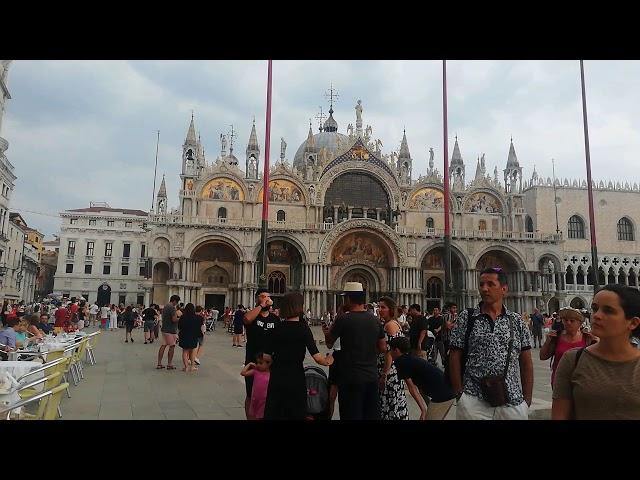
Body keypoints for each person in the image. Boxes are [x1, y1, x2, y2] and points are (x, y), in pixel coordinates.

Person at [449, 267, 533, 420]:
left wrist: (526, 402)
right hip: (473, 400)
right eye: (481, 284)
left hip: (512, 401)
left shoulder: (517, 321)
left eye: (490, 284)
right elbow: (454, 355)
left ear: (504, 289)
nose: (484, 289)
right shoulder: (467, 318)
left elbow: (526, 362)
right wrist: (460, 396)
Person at [552, 284, 640, 420]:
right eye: (595, 308)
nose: (596, 315)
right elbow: (559, 415)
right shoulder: (573, 360)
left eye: (608, 311)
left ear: (633, 323)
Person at [263, 292, 333, 420]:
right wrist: (329, 359)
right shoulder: (303, 328)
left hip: (277, 377)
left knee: (276, 411)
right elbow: (318, 358)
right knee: (295, 411)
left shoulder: (277, 327)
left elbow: (266, 357)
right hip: (296, 377)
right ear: (299, 307)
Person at [323, 282, 386, 420]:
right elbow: (383, 347)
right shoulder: (375, 320)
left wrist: (328, 329)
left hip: (349, 377)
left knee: (351, 414)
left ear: (349, 299)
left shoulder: (343, 319)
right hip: (370, 376)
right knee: (369, 414)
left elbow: (329, 343)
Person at [389, 336, 456, 420]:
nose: (390, 353)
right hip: (448, 391)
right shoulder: (409, 359)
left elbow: (411, 387)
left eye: (391, 350)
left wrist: (423, 410)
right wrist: (426, 407)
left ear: (397, 350)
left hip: (443, 395)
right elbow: (420, 388)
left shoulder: (401, 362)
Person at [243, 289, 280, 419]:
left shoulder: (275, 319)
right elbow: (247, 319)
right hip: (253, 362)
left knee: (268, 395)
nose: (266, 299)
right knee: (250, 395)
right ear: (257, 299)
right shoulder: (253, 315)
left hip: (270, 365)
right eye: (263, 296)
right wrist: (261, 305)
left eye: (268, 297)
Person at [539, 307, 596, 386]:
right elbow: (542, 356)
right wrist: (547, 342)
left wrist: (596, 342)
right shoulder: (556, 337)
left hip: (581, 382)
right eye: (565, 320)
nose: (568, 323)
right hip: (559, 382)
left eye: (572, 321)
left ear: (579, 323)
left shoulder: (587, 338)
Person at [376, 296, 408, 420]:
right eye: (379, 307)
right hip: (392, 370)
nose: (379, 309)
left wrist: (384, 375)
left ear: (390, 309)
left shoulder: (390, 325)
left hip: (389, 371)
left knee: (389, 404)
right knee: (391, 403)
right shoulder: (393, 323)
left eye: (383, 307)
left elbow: (390, 353)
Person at [240, 352, 272, 420]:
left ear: (268, 364)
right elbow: (243, 373)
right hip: (255, 398)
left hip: (264, 400)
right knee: (254, 416)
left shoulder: (270, 374)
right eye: (257, 363)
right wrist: (249, 364)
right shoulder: (255, 371)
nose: (258, 365)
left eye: (261, 363)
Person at [157, 295, 181, 370]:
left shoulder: (166, 306)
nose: (176, 304)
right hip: (170, 330)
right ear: (174, 301)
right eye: (176, 302)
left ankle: (159, 363)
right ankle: (169, 364)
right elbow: (174, 319)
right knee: (172, 346)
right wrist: (180, 318)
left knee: (163, 345)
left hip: (164, 329)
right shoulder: (172, 308)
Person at [178, 303, 201, 372]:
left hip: (184, 335)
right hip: (193, 335)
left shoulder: (183, 317)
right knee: (193, 351)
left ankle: (186, 367)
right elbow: (199, 327)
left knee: (185, 351)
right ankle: (192, 366)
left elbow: (179, 327)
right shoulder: (197, 317)